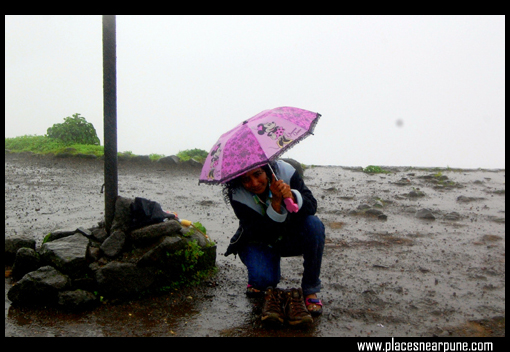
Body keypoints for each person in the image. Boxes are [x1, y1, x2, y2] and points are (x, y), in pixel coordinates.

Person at [223, 159, 325, 326]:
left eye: (258, 174)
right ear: (239, 181)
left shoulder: (286, 172)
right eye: (246, 179)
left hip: (289, 235)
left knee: (314, 226)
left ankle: (310, 290)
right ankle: (261, 278)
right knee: (263, 280)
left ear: (266, 170)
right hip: (258, 239)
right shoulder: (237, 195)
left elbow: (311, 206)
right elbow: (263, 233)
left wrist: (291, 196)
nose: (254, 183)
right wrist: (276, 203)